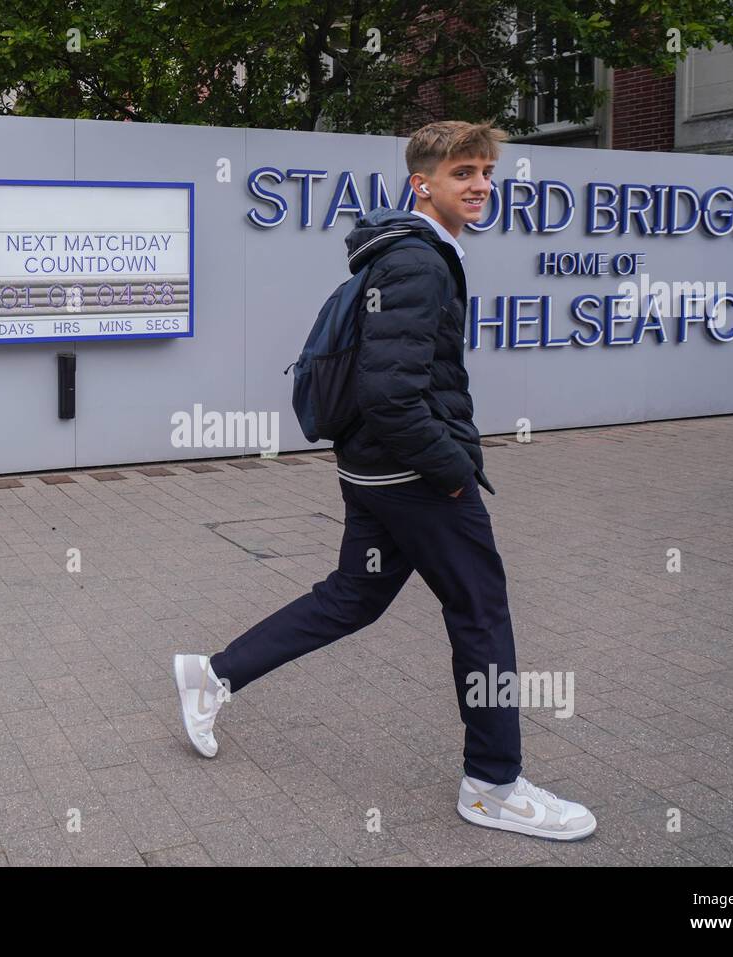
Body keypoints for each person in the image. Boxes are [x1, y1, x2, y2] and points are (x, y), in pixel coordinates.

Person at [173, 120, 595, 841]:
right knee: (481, 609)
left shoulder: (401, 253)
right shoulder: (418, 262)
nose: (481, 185)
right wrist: (454, 469)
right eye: (464, 172)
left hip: (373, 469)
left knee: (354, 595)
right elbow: (391, 393)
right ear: (421, 184)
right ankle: (493, 783)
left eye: (486, 172)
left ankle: (213, 675)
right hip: (412, 475)